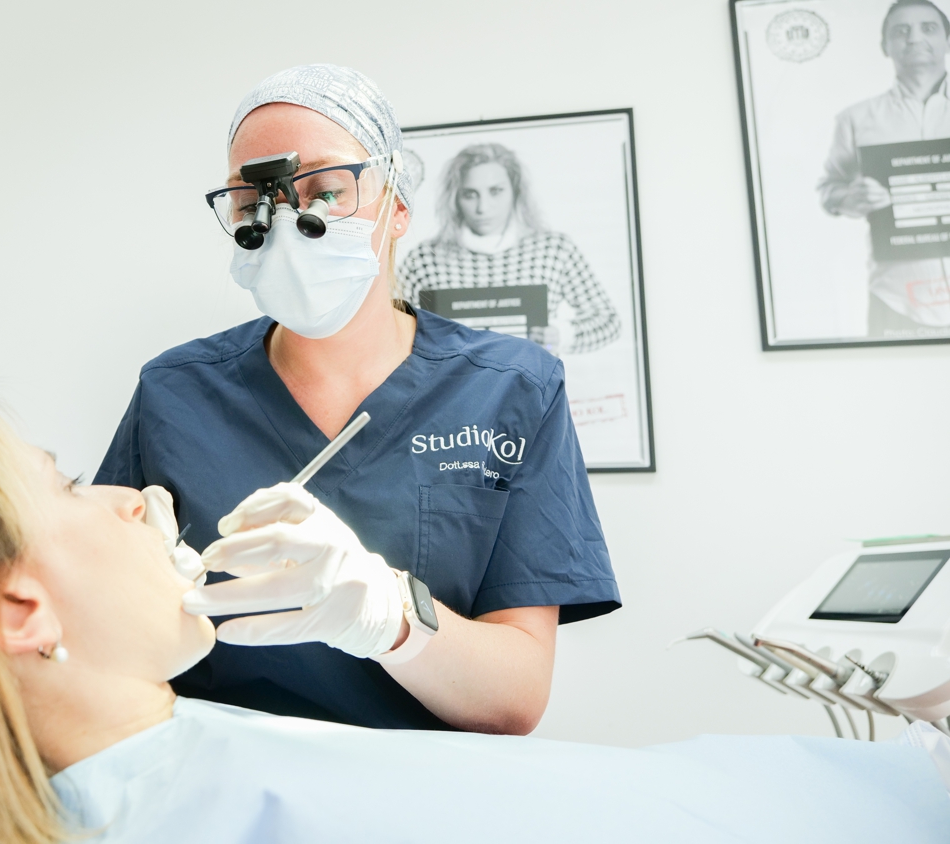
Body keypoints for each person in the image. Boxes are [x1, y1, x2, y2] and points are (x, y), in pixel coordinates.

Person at [0, 397, 948, 844]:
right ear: (16, 604)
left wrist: (393, 617)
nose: (144, 497)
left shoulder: (168, 771)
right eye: (71, 487)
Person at [95, 64, 621, 734]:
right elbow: (96, 640)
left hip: (421, 781)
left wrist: (389, 618)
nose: (287, 223)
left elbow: (514, 698)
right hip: (222, 769)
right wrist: (136, 607)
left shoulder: (512, 387)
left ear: (396, 205)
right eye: (252, 201)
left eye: (325, 190)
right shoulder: (175, 391)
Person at [398, 142, 622, 354]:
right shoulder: (426, 258)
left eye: (496, 191)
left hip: (530, 379)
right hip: (453, 381)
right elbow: (390, 327)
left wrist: (560, 335)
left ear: (515, 191)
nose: (483, 207)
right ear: (455, 198)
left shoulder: (554, 250)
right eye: (470, 194)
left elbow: (608, 321)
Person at [819, 0, 950, 339]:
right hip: (896, 299)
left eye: (928, 28)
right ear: (884, 45)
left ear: (948, 39)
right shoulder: (855, 119)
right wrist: (849, 198)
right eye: (901, 31)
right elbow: (829, 189)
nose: (914, 38)